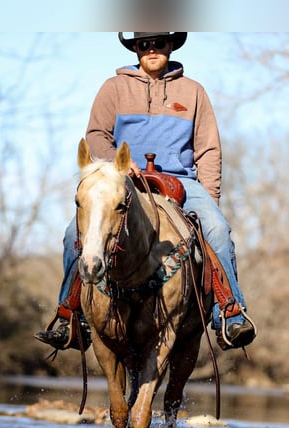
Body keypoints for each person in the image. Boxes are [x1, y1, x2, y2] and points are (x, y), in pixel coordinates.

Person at [36, 32, 256, 351]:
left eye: (159, 43)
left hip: (181, 181)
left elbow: (208, 151)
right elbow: (97, 135)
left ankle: (230, 314)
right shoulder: (113, 88)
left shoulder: (193, 92)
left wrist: (210, 200)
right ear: (135, 49)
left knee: (218, 230)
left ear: (171, 46)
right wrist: (117, 164)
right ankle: (70, 316)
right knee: (74, 234)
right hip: (126, 179)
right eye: (144, 44)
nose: (151, 49)